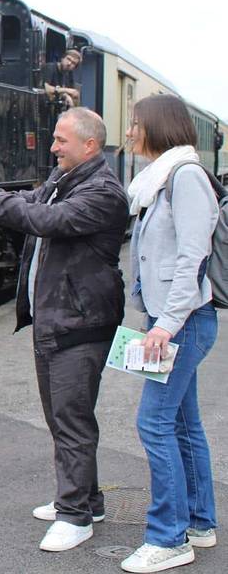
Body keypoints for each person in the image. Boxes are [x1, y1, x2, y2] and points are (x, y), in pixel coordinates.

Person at [0, 107, 129, 553]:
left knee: (71, 419)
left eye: (60, 141)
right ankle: (87, 500)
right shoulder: (63, 179)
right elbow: (33, 203)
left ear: (89, 145)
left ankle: (75, 516)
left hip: (80, 321)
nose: (52, 147)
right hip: (57, 316)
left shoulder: (103, 193)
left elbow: (46, 221)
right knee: (61, 415)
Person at [119, 94, 219, 573]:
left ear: (158, 126)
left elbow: (193, 258)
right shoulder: (159, 180)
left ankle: (169, 537)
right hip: (171, 322)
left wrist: (163, 326)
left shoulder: (186, 178)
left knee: (153, 424)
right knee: (182, 424)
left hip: (182, 324)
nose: (130, 131)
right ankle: (199, 523)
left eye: (136, 123)